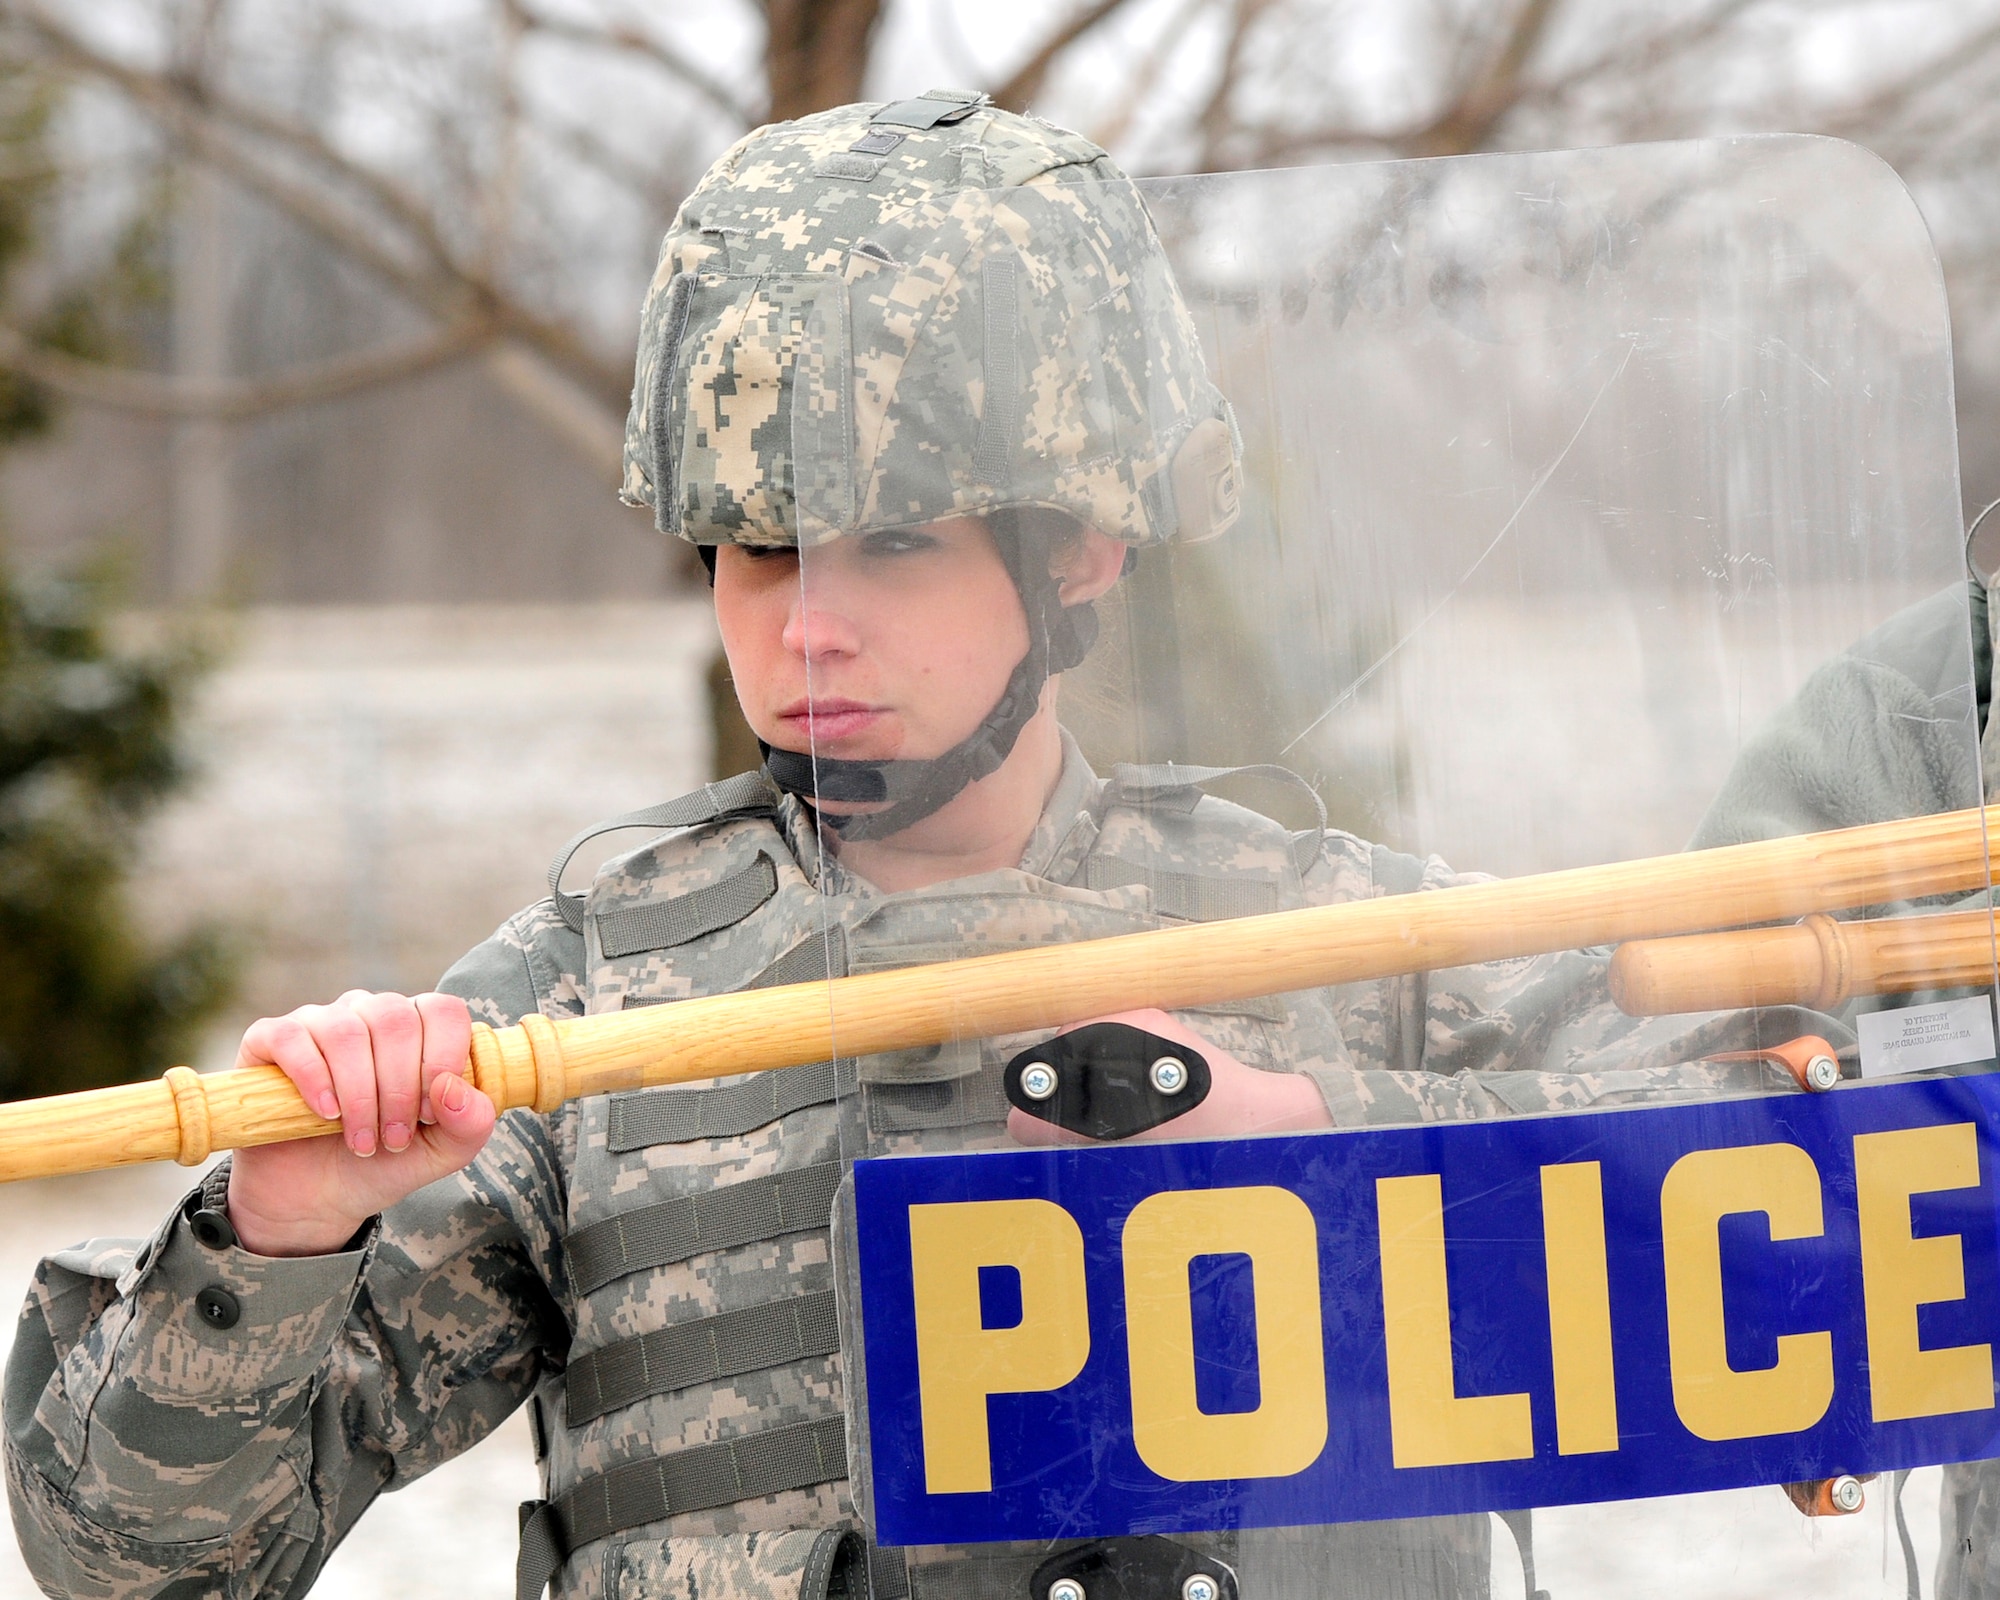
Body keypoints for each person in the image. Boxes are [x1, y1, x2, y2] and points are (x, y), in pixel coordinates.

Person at [4, 95, 1813, 1600]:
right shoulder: (590, 1003)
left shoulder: (1324, 940)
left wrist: (1337, 1151)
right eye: (761, 551)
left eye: (893, 546)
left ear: (1083, 551)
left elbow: (1812, 1199)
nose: (806, 634)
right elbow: (131, 1574)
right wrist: (285, 1233)